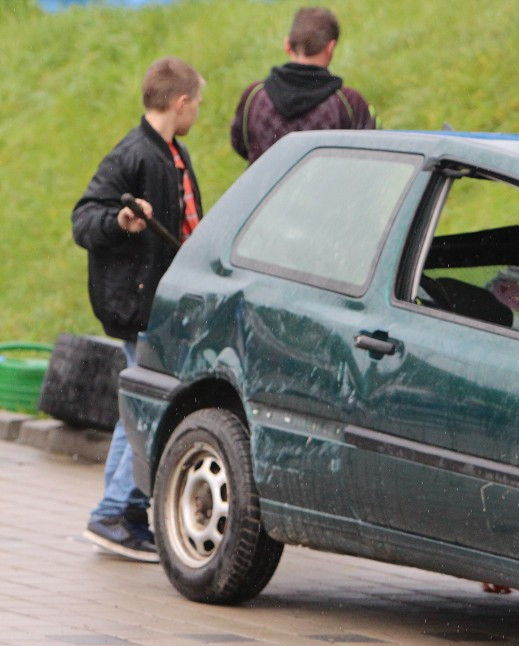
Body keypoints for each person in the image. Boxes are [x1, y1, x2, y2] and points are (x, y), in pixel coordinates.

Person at [72, 57, 205, 562]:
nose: (198, 113)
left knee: (139, 405)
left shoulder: (174, 152)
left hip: (162, 302)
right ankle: (113, 512)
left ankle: (122, 512)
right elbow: (84, 220)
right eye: (197, 104)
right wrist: (122, 222)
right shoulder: (133, 155)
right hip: (138, 304)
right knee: (149, 408)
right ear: (181, 102)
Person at [230, 6, 377, 165]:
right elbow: (370, 156)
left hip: (266, 190)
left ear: (287, 45)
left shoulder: (254, 96)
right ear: (330, 48)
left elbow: (240, 144)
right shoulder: (348, 103)